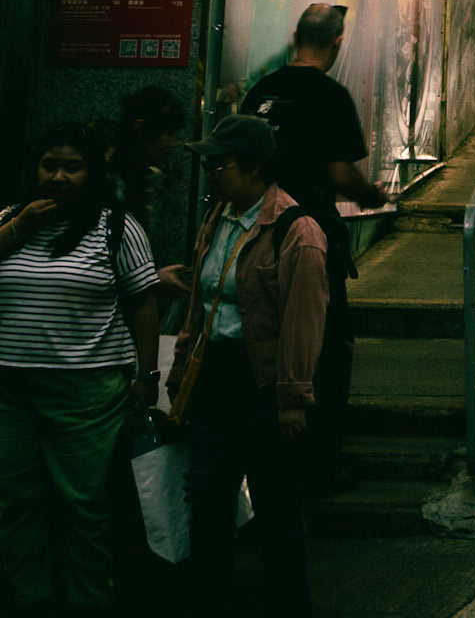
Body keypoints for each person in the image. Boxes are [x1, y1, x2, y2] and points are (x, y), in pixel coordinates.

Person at [171, 114, 328, 616]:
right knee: (207, 500)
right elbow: (201, 302)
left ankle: (290, 605)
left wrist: (292, 397)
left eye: (220, 165)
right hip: (213, 377)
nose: (211, 174)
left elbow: (303, 322)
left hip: (261, 384)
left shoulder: (296, 230)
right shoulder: (217, 217)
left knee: (276, 506)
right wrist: (180, 367)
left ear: (254, 167)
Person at [0, 122, 161, 610]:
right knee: (15, 501)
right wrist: (19, 227)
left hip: (87, 392)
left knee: (83, 504)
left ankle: (88, 600)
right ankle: (30, 599)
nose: (59, 177)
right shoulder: (9, 219)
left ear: (92, 173)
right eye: (49, 166)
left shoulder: (116, 226)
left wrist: (146, 375)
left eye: (72, 167)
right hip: (9, 390)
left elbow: (144, 304)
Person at [241, 5, 387, 482]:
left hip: (254, 236)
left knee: (263, 339)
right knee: (323, 346)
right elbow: (341, 173)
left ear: (295, 34)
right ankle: (319, 462)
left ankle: (264, 457)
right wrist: (372, 195)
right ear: (338, 41)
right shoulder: (330, 96)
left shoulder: (261, 92)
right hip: (310, 239)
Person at [108, 83, 192, 293]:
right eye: (169, 133)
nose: (173, 143)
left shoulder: (137, 175)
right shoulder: (111, 181)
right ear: (141, 128)